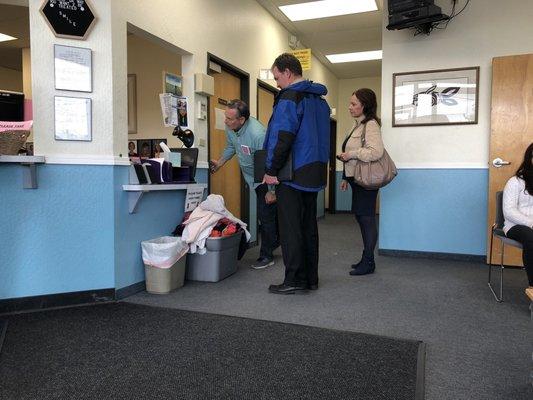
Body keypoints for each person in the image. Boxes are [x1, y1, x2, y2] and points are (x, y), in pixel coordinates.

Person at [263, 53, 330, 294]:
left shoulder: (290, 97)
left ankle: (293, 280)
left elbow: (283, 136)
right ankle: (310, 278)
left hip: (291, 173)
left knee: (291, 229)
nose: (277, 82)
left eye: (277, 77)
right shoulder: (320, 101)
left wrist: (271, 170)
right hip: (314, 171)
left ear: (288, 72)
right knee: (308, 227)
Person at [210, 99, 279, 269]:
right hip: (251, 177)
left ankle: (266, 256)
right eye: (225, 117)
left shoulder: (258, 134)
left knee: (266, 216)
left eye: (229, 119)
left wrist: (271, 190)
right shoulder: (231, 128)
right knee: (269, 214)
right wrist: (220, 163)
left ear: (242, 120)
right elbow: (231, 147)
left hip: (264, 178)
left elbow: (268, 163)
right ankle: (275, 241)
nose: (225, 121)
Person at [338, 88, 384, 276]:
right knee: (361, 217)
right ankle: (366, 258)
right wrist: (344, 178)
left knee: (366, 219)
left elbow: (376, 152)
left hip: (366, 181)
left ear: (364, 105)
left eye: (353, 104)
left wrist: (352, 154)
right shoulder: (357, 125)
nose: (350, 107)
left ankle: (369, 262)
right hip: (356, 179)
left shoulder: (371, 124)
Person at [503, 143, 533, 289]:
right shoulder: (515, 182)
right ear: (530, 158)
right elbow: (508, 211)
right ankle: (532, 287)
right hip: (515, 226)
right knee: (531, 237)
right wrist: (531, 222)